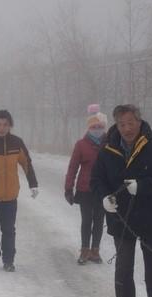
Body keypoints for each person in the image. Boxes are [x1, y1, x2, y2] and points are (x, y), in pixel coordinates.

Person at [90, 104, 152, 297]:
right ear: (116, 125)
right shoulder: (107, 150)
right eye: (122, 124)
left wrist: (143, 186)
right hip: (121, 218)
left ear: (139, 122)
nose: (127, 128)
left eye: (131, 123)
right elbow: (96, 181)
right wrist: (104, 197)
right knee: (123, 265)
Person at [0, 109, 39, 272]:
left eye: (5, 124)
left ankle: (8, 260)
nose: (2, 128)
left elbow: (26, 163)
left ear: (10, 125)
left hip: (10, 196)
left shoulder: (17, 143)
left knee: (8, 230)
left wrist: (33, 183)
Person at [65, 104, 107, 265]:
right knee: (86, 220)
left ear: (104, 128)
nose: (97, 129)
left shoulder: (109, 143)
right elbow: (73, 167)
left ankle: (95, 251)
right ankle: (84, 249)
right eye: (94, 127)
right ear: (89, 128)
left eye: (100, 127)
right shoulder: (81, 145)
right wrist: (68, 188)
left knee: (99, 220)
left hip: (103, 190)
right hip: (85, 189)